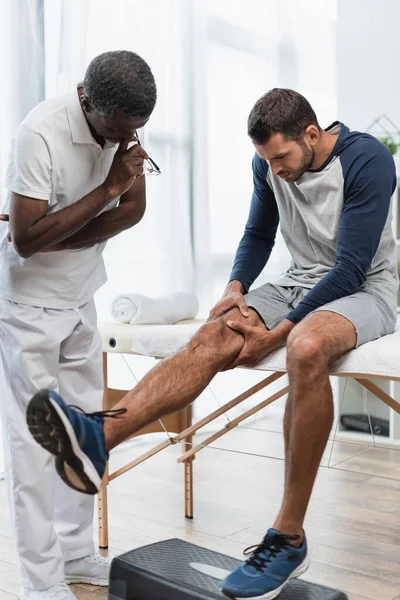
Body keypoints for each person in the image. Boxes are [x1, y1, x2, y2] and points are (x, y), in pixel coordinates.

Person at [26, 88, 398, 600]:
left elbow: (351, 268)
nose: (277, 170)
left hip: (364, 289)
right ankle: (98, 439)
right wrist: (234, 290)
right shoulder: (267, 163)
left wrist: (280, 328)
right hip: (298, 279)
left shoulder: (367, 160)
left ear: (311, 135)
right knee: (212, 335)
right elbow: (257, 235)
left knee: (306, 347)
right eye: (267, 160)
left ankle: (288, 536)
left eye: (283, 158)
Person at [0, 50, 157, 600]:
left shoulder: (123, 125)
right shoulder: (37, 135)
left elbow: (135, 210)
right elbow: (25, 240)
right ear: (87, 101)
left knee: (85, 433)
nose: (128, 140)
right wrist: (108, 189)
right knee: (34, 444)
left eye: (137, 130)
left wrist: (64, 234)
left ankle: (75, 551)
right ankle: (40, 581)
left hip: (82, 297)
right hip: (30, 309)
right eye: (120, 129)